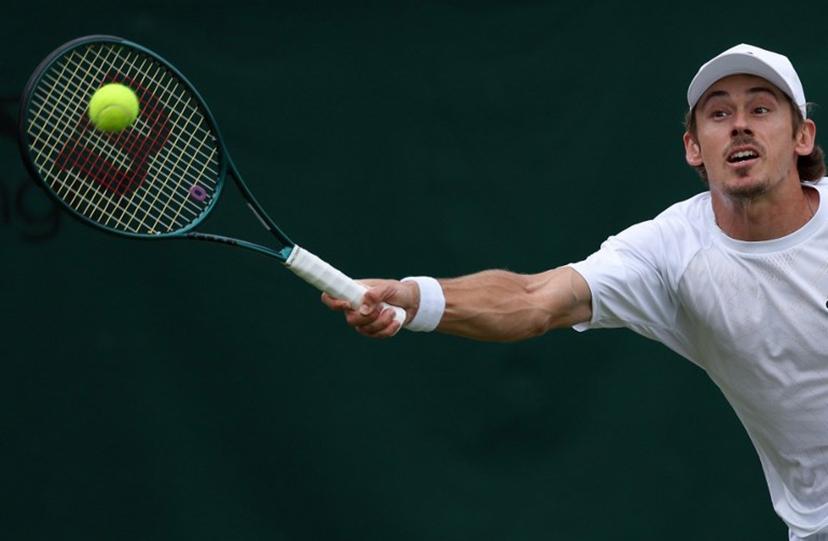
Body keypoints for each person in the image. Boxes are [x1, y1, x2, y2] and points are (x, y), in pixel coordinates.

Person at [321, 44, 828, 540]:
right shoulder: (668, 252)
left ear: (802, 136)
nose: (740, 123)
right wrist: (412, 297)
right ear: (693, 147)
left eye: (761, 108)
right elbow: (531, 299)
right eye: (719, 114)